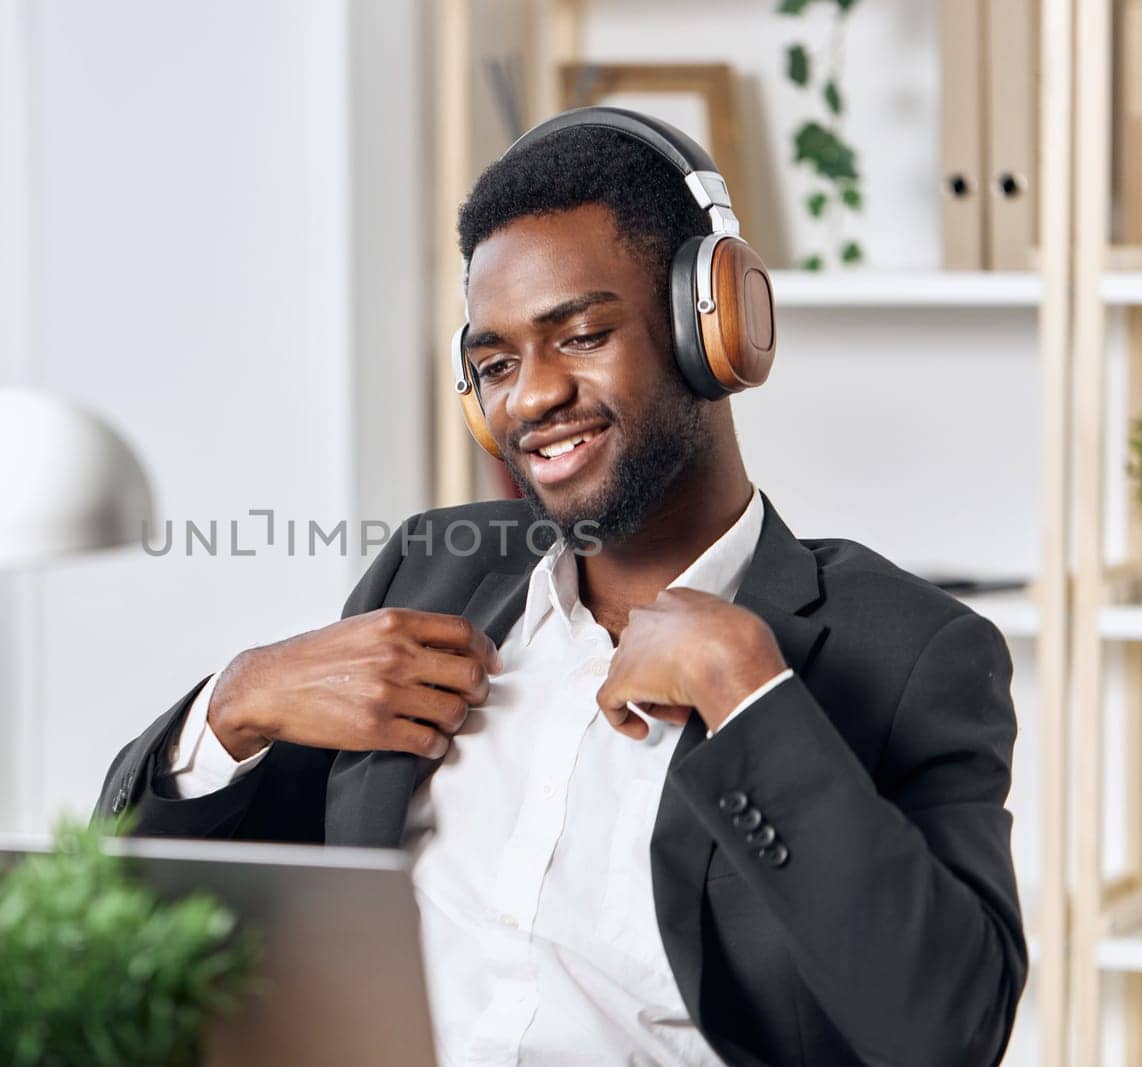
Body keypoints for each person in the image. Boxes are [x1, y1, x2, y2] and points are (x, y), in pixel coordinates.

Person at [98, 108, 1025, 1066]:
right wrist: (235, 705)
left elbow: (945, 1032)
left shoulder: (911, 652)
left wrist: (747, 691)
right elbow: (127, 915)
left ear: (712, 328)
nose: (530, 397)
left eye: (579, 334)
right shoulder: (435, 568)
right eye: (495, 364)